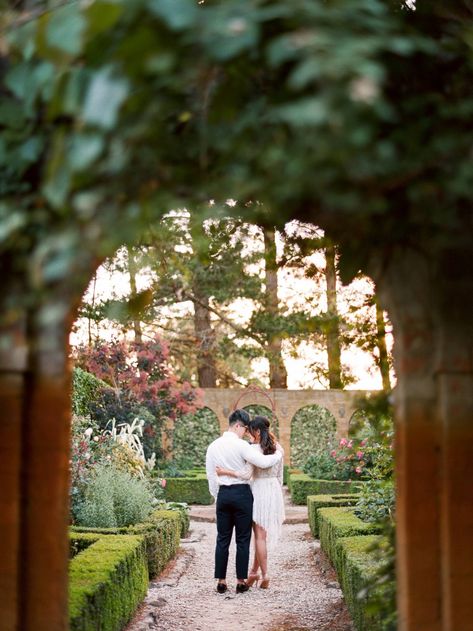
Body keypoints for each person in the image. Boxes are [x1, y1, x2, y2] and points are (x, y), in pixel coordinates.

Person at [205, 409, 282, 594]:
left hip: (223, 494)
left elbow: (210, 475)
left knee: (222, 539)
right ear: (238, 425)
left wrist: (219, 495)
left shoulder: (213, 446)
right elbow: (263, 463)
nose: (245, 432)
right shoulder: (242, 446)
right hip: (242, 494)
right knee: (243, 539)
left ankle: (221, 581)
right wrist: (279, 454)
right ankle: (240, 581)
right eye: (244, 428)